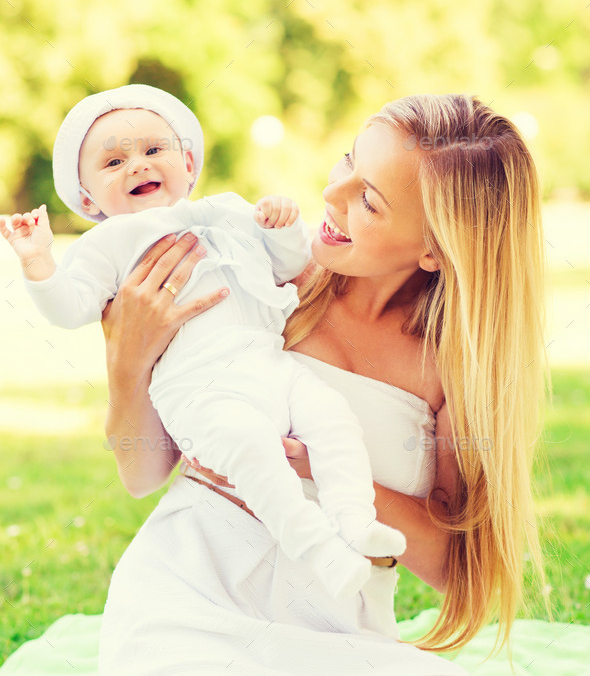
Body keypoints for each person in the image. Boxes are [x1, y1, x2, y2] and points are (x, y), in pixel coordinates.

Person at [98, 93, 544, 674]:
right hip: (186, 597)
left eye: (369, 201)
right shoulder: (259, 270)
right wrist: (127, 362)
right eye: (347, 160)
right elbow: (142, 475)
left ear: (436, 247)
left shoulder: (452, 365)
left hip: (338, 631)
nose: (331, 196)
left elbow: (457, 568)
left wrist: (326, 468)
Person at [0, 84, 407, 600]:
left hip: (270, 364)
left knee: (332, 419)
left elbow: (286, 267)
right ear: (86, 199)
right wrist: (38, 262)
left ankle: (355, 522)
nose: (137, 166)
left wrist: (279, 225)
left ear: (188, 164)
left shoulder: (229, 210)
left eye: (153, 150)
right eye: (113, 162)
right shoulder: (107, 244)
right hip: (199, 388)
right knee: (252, 451)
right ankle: (315, 544)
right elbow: (69, 308)